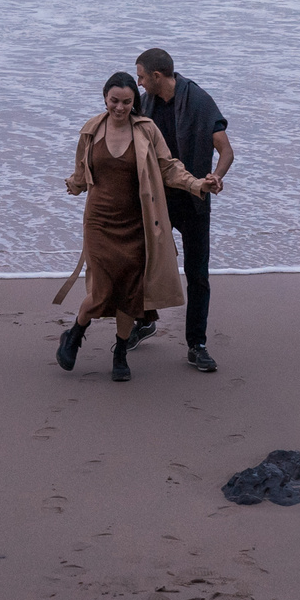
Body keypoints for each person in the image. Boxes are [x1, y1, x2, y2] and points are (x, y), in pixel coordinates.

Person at [53, 71, 209, 383]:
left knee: (129, 290)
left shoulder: (146, 130)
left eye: (127, 101)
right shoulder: (91, 130)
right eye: (114, 101)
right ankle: (75, 333)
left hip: (136, 224)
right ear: (105, 99)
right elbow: (82, 173)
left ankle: (120, 350)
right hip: (98, 221)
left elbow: (168, 167)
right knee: (100, 291)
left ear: (134, 102)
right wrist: (73, 184)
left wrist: (197, 184)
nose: (120, 107)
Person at [130, 48, 233, 372]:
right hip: (157, 200)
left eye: (142, 76)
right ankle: (145, 321)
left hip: (193, 199)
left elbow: (226, 150)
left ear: (157, 76)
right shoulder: (144, 104)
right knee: (141, 263)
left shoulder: (199, 102)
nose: (139, 82)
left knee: (198, 275)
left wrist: (216, 176)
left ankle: (197, 344)